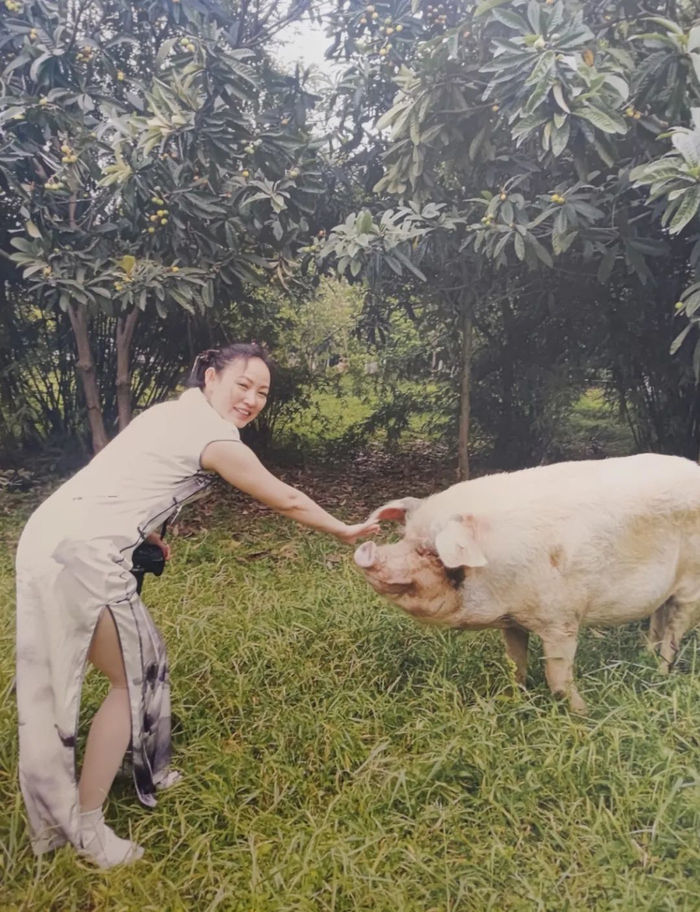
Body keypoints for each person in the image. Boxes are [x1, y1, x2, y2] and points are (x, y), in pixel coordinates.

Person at [14, 342, 379, 868]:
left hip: (56, 537)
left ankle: (140, 763)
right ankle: (87, 826)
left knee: (147, 659)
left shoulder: (173, 411)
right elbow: (285, 497)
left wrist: (150, 530)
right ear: (210, 377)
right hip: (81, 553)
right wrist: (345, 530)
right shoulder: (214, 437)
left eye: (262, 392)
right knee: (130, 678)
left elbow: (127, 472)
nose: (252, 399)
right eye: (242, 385)